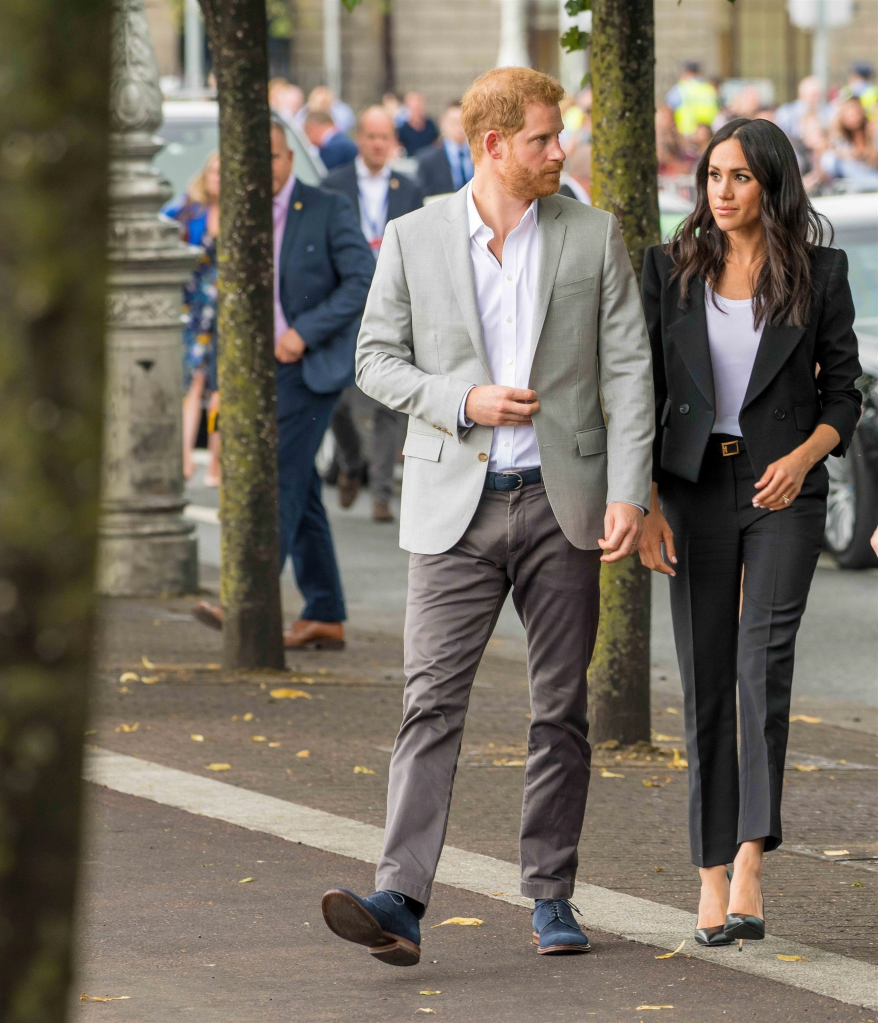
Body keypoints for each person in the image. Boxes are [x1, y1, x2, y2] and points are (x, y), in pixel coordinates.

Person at [321, 66, 653, 965]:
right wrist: (462, 398)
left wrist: (629, 490)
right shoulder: (414, 235)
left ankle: (551, 893)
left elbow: (630, 370)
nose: (560, 150)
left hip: (562, 500)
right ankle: (399, 898)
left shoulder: (592, 234)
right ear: (494, 144)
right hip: (452, 507)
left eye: (560, 135)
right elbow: (374, 359)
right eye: (544, 137)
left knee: (561, 709)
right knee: (429, 701)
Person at [640, 117, 861, 950]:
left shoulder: (819, 273)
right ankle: (707, 874)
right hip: (692, 487)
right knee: (704, 674)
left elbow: (846, 394)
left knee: (760, 663)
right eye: (713, 175)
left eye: (739, 176)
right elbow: (642, 390)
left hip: (784, 489)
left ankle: (749, 861)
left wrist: (804, 457)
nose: (722, 191)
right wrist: (646, 501)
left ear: (772, 183)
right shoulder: (670, 269)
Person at [193, 123, 375, 648]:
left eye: (272, 156)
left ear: (289, 158)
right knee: (303, 491)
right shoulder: (240, 212)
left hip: (308, 367)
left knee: (277, 479)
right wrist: (223, 378)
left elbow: (363, 279)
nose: (264, 167)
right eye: (254, 157)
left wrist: (304, 332)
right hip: (256, 370)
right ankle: (325, 614)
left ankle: (245, 597)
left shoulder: (326, 208)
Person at [323, 107, 424, 521]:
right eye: (371, 136)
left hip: (392, 302)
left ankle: (381, 493)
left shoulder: (409, 188)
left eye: (385, 137)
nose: (378, 144)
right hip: (345, 302)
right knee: (338, 397)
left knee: (388, 401)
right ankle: (350, 462)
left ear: (393, 142)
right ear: (359, 139)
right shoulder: (334, 185)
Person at [162, 150, 222, 485]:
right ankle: (183, 457)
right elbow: (158, 232)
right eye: (213, 170)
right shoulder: (186, 210)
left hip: (226, 312)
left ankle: (217, 463)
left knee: (221, 389)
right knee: (191, 383)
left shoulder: (243, 214)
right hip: (194, 311)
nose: (217, 177)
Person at [415, 101, 474, 197]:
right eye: (454, 122)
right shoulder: (427, 159)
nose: (459, 127)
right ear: (442, 123)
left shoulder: (481, 155)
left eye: (464, 122)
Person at [822, 97, 878, 185]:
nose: (853, 119)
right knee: (830, 158)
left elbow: (872, 158)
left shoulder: (869, 129)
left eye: (855, 115)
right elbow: (836, 151)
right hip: (851, 171)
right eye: (849, 116)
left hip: (869, 170)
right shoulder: (840, 133)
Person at [666, 62, 719, 138]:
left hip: (685, 136)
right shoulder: (709, 88)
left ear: (686, 72)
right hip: (707, 135)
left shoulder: (681, 88)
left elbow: (668, 112)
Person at [776, 76, 828, 142]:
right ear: (801, 94)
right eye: (812, 95)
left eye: (817, 95)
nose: (815, 99)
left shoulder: (824, 112)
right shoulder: (786, 112)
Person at [395, 90, 439, 156]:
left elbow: (436, 144)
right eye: (414, 107)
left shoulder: (431, 125)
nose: (416, 110)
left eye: (418, 106)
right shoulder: (402, 129)